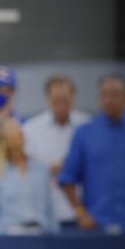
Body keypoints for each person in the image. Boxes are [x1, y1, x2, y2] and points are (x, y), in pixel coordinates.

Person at [60, 75, 125, 233]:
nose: (108, 100)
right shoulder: (84, 133)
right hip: (96, 227)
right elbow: (67, 179)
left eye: (114, 95)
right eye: (104, 94)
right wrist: (80, 214)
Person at [23, 75, 90, 226]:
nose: (61, 105)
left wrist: (71, 168)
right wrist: (47, 169)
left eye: (65, 100)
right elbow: (23, 170)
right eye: (56, 100)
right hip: (43, 212)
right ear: (47, 99)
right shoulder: (30, 129)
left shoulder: (88, 127)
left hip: (83, 213)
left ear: (73, 97)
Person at [0, 120, 55, 234]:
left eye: (19, 128)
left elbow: (50, 210)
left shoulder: (40, 169)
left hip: (41, 234)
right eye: (13, 130)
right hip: (9, 235)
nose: (20, 132)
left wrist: (54, 239)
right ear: (3, 140)